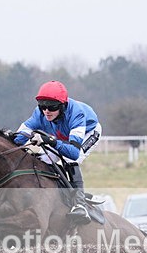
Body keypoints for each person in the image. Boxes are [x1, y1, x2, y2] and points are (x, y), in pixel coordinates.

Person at [13, 80, 102, 224]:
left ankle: (80, 204)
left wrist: (50, 141)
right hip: (62, 136)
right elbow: (18, 139)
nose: (46, 111)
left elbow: (73, 151)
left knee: (70, 160)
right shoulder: (39, 114)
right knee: (45, 160)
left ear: (62, 105)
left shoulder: (76, 114)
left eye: (52, 107)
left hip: (88, 132)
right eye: (42, 106)